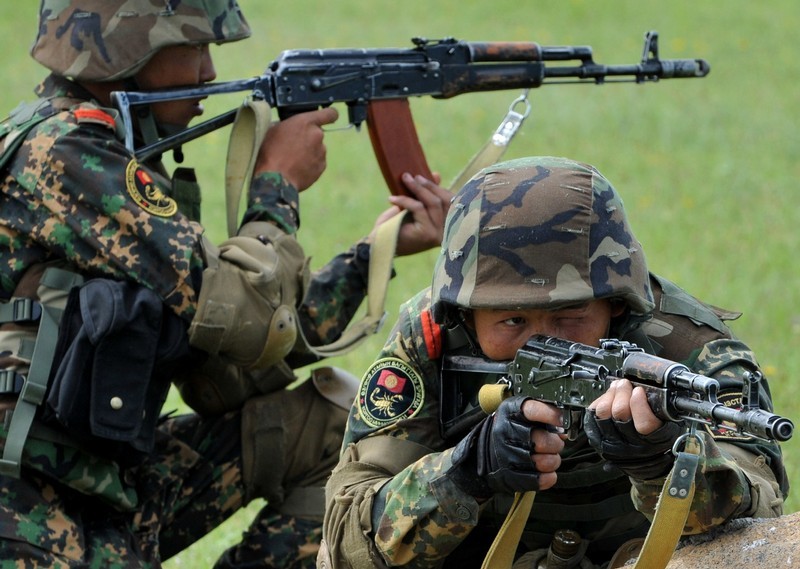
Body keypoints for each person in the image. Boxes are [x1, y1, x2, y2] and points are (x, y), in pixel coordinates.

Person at [0, 1, 451, 567]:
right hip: (27, 506)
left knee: (331, 429)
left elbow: (241, 353)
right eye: (194, 47)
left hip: (97, 484)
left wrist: (372, 255)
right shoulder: (67, 156)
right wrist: (276, 186)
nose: (210, 72)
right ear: (129, 47)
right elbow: (245, 318)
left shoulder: (102, 153)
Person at [319, 155, 789, 568]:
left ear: (617, 305)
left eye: (570, 315)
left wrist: (666, 464)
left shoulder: (690, 351)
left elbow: (762, 526)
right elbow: (344, 544)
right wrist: (466, 471)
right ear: (466, 314)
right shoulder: (432, 341)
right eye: (513, 321)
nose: (544, 340)